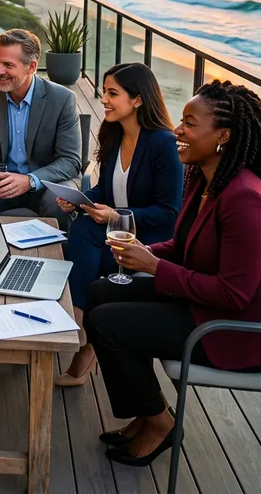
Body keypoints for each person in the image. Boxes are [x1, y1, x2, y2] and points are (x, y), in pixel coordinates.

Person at [84, 80, 261, 467]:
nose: (177, 131)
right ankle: (147, 409)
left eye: (189, 123)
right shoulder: (205, 179)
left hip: (246, 328)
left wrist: (154, 268)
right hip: (210, 305)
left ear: (223, 135)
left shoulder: (246, 197)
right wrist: (148, 251)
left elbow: (235, 294)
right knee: (102, 291)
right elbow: (187, 246)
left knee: (107, 323)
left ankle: (160, 423)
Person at [55, 63, 183, 387]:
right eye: (104, 92)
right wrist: (81, 199)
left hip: (150, 240)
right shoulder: (114, 134)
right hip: (114, 230)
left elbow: (170, 212)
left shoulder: (163, 143)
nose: (104, 100)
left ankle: (84, 339)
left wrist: (116, 216)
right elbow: (106, 191)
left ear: (138, 100)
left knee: (87, 248)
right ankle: (85, 333)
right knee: (82, 229)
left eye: (113, 93)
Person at [0, 28, 82, 222]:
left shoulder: (62, 99)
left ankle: (55, 253)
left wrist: (30, 180)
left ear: (31, 67)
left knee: (58, 203)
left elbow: (70, 160)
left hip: (44, 185)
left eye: (8, 65)